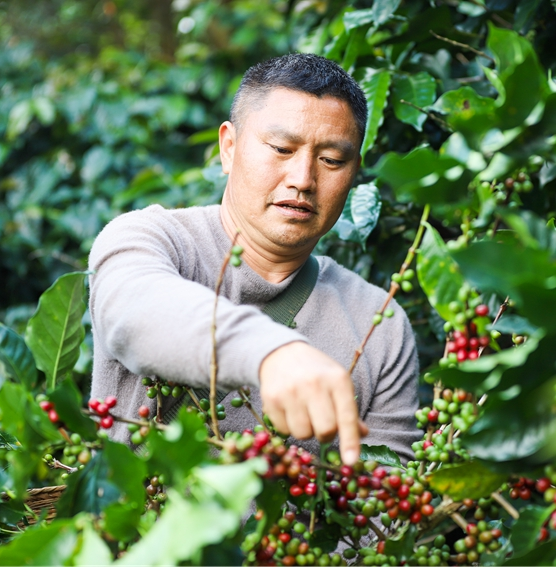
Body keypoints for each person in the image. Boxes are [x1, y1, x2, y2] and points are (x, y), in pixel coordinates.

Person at [88, 53, 420, 465]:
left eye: (332, 160)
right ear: (228, 147)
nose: (302, 179)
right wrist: (270, 352)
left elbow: (384, 508)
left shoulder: (380, 324)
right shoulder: (151, 239)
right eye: (282, 148)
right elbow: (133, 310)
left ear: (353, 173)